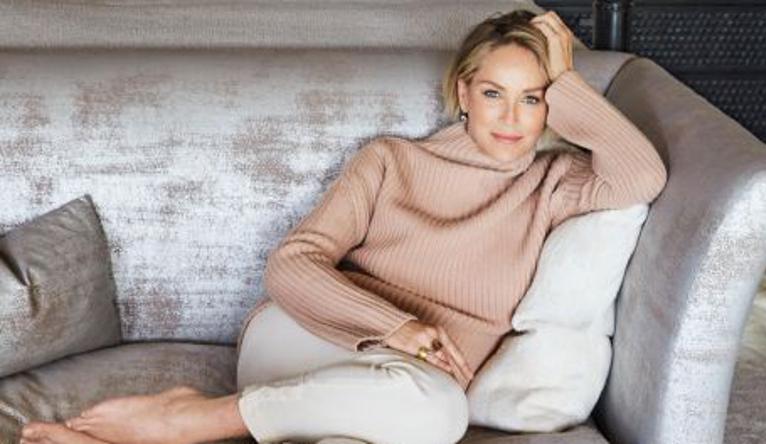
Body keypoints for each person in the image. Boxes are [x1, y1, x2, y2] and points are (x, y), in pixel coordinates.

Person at [18, 8, 667, 444]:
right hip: (308, 336)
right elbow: (292, 265)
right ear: (463, 92)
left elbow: (643, 176)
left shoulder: (552, 186)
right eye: (494, 92)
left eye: (533, 98)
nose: (512, 117)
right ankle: (196, 420)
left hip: (408, 384)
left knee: (418, 413)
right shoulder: (392, 161)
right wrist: (396, 326)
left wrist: (567, 77)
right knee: (439, 416)